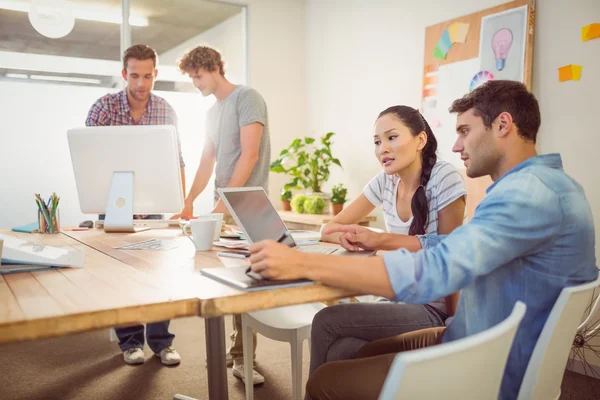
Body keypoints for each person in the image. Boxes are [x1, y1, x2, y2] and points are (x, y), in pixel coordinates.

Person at [247, 80, 598, 399]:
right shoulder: (549, 186)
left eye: (464, 130)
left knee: (326, 381)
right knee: (345, 351)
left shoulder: (526, 195)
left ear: (503, 125)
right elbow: (451, 247)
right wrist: (381, 241)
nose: (457, 144)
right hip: (471, 334)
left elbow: (434, 271)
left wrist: (302, 262)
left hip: (487, 363)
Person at [310, 105, 466, 374]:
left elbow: (449, 252)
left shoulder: (445, 177)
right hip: (399, 297)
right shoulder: (385, 181)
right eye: (377, 141)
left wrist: (453, 324)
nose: (383, 148)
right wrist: (352, 237)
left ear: (420, 140)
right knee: (340, 349)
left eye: (392, 137)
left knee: (327, 320)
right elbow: (330, 228)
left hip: (433, 307)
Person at [175, 46, 270, 385]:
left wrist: (223, 205)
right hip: (225, 207)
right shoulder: (212, 113)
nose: (195, 83)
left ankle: (244, 359)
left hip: (249, 206)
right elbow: (206, 161)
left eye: (197, 76)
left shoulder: (248, 98)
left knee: (246, 284)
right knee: (222, 280)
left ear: (214, 68)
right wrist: (188, 201)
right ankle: (232, 352)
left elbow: (250, 154)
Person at [86, 44, 185, 366]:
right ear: (123, 74)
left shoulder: (165, 109)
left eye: (147, 76)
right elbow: (89, 161)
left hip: (153, 203)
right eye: (134, 75)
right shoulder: (103, 107)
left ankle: (161, 343)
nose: (141, 83)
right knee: (121, 276)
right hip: (114, 202)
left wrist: (181, 203)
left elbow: (177, 159)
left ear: (155, 74)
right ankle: (130, 343)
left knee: (157, 275)